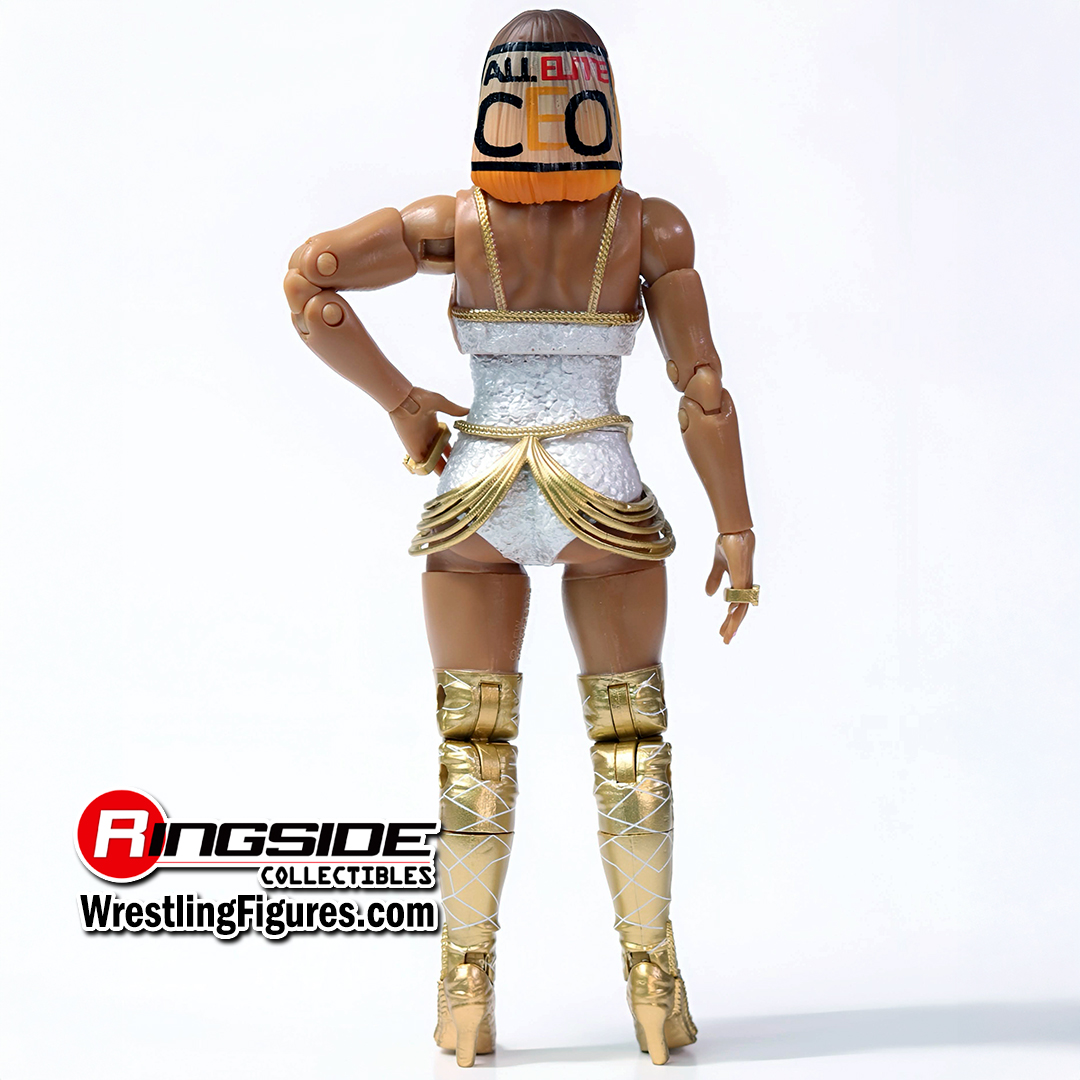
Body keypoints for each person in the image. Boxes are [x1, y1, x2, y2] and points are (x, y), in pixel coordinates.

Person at [284, 9, 757, 1067]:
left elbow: (310, 280)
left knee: (471, 746)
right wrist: (735, 525)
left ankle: (465, 993)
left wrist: (405, 405)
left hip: (478, 488)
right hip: (602, 485)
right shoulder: (650, 229)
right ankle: (653, 985)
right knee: (631, 740)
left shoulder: (450, 224)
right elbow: (703, 387)